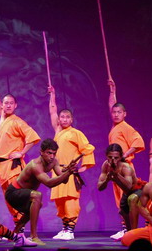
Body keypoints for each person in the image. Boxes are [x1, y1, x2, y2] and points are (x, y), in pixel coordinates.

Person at [0, 72, 41, 228]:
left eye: (11, 103)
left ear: (15, 106)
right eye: (5, 103)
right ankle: (18, 228)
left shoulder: (18, 122)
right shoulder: (3, 118)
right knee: (7, 198)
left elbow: (34, 138)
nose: (7, 105)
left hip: (13, 166)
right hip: (2, 165)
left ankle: (21, 226)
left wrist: (22, 152)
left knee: (15, 196)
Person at [5, 139, 77, 245]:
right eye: (49, 153)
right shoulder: (35, 165)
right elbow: (49, 183)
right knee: (37, 196)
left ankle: (14, 234)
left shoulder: (54, 161)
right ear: (41, 152)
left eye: (54, 153)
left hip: (25, 194)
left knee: (37, 204)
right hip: (13, 193)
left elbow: (64, 179)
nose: (52, 156)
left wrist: (68, 171)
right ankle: (34, 236)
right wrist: (68, 172)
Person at [48, 86, 95, 240]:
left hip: (69, 172)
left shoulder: (76, 133)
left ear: (72, 119)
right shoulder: (58, 132)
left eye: (67, 117)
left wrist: (84, 167)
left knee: (70, 200)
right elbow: (52, 112)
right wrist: (52, 95)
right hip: (57, 172)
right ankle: (65, 228)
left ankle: (71, 230)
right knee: (60, 202)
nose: (64, 119)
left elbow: (87, 149)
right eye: (62, 117)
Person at [108, 80, 145, 240]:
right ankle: (125, 227)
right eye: (114, 112)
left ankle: (131, 229)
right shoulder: (115, 127)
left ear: (125, 114)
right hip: (116, 167)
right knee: (119, 199)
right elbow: (112, 104)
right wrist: (112, 91)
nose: (116, 114)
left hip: (125, 167)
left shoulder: (126, 127)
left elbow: (138, 142)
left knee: (127, 198)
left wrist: (124, 155)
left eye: (119, 112)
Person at [98, 144, 146, 235]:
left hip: (138, 190)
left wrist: (116, 175)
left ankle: (134, 233)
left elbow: (128, 186)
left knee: (132, 200)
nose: (113, 160)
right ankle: (129, 233)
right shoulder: (105, 165)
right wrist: (107, 180)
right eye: (110, 157)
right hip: (127, 193)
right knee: (122, 211)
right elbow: (100, 187)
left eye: (116, 157)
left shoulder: (125, 167)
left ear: (121, 156)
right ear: (106, 156)